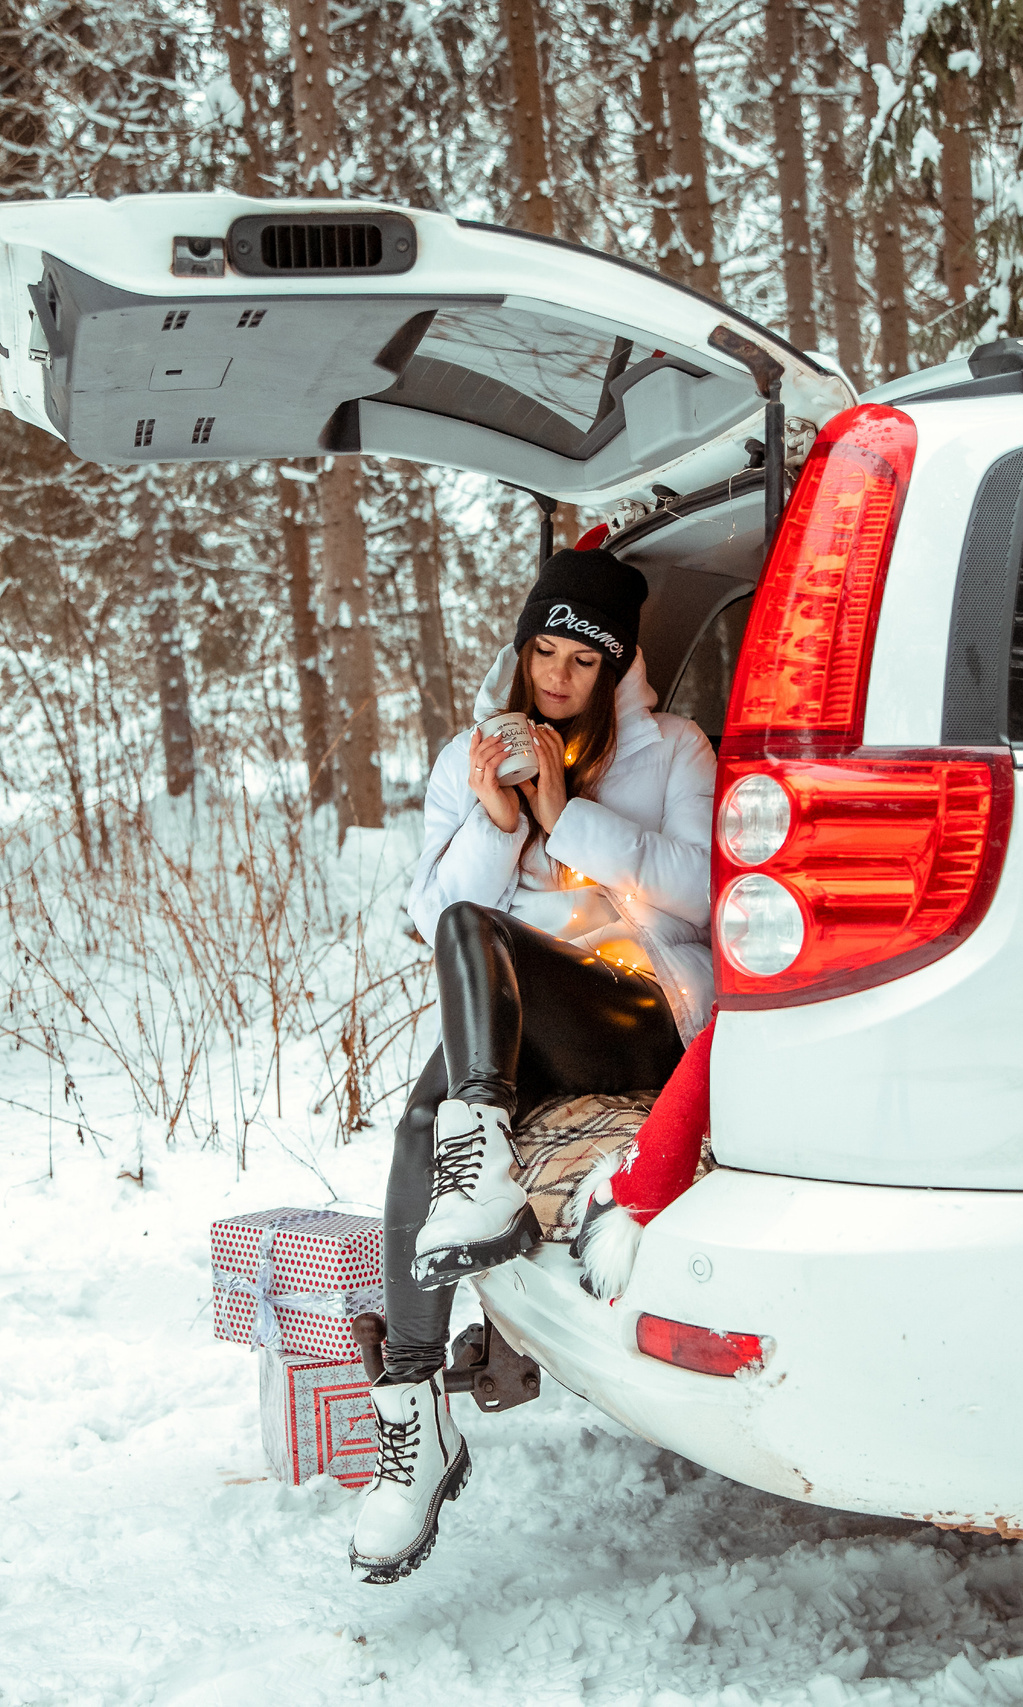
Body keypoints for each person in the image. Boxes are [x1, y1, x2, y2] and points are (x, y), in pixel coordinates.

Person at [350, 546, 716, 1585]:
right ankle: (415, 1416)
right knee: (429, 1111)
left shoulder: (674, 752)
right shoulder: (472, 755)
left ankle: (477, 1164)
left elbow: (701, 890)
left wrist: (566, 817)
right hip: (529, 1029)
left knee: (442, 1109)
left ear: (617, 668)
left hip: (643, 1014)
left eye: (579, 662)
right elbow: (431, 920)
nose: (553, 678)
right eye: (540, 652)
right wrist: (497, 822)